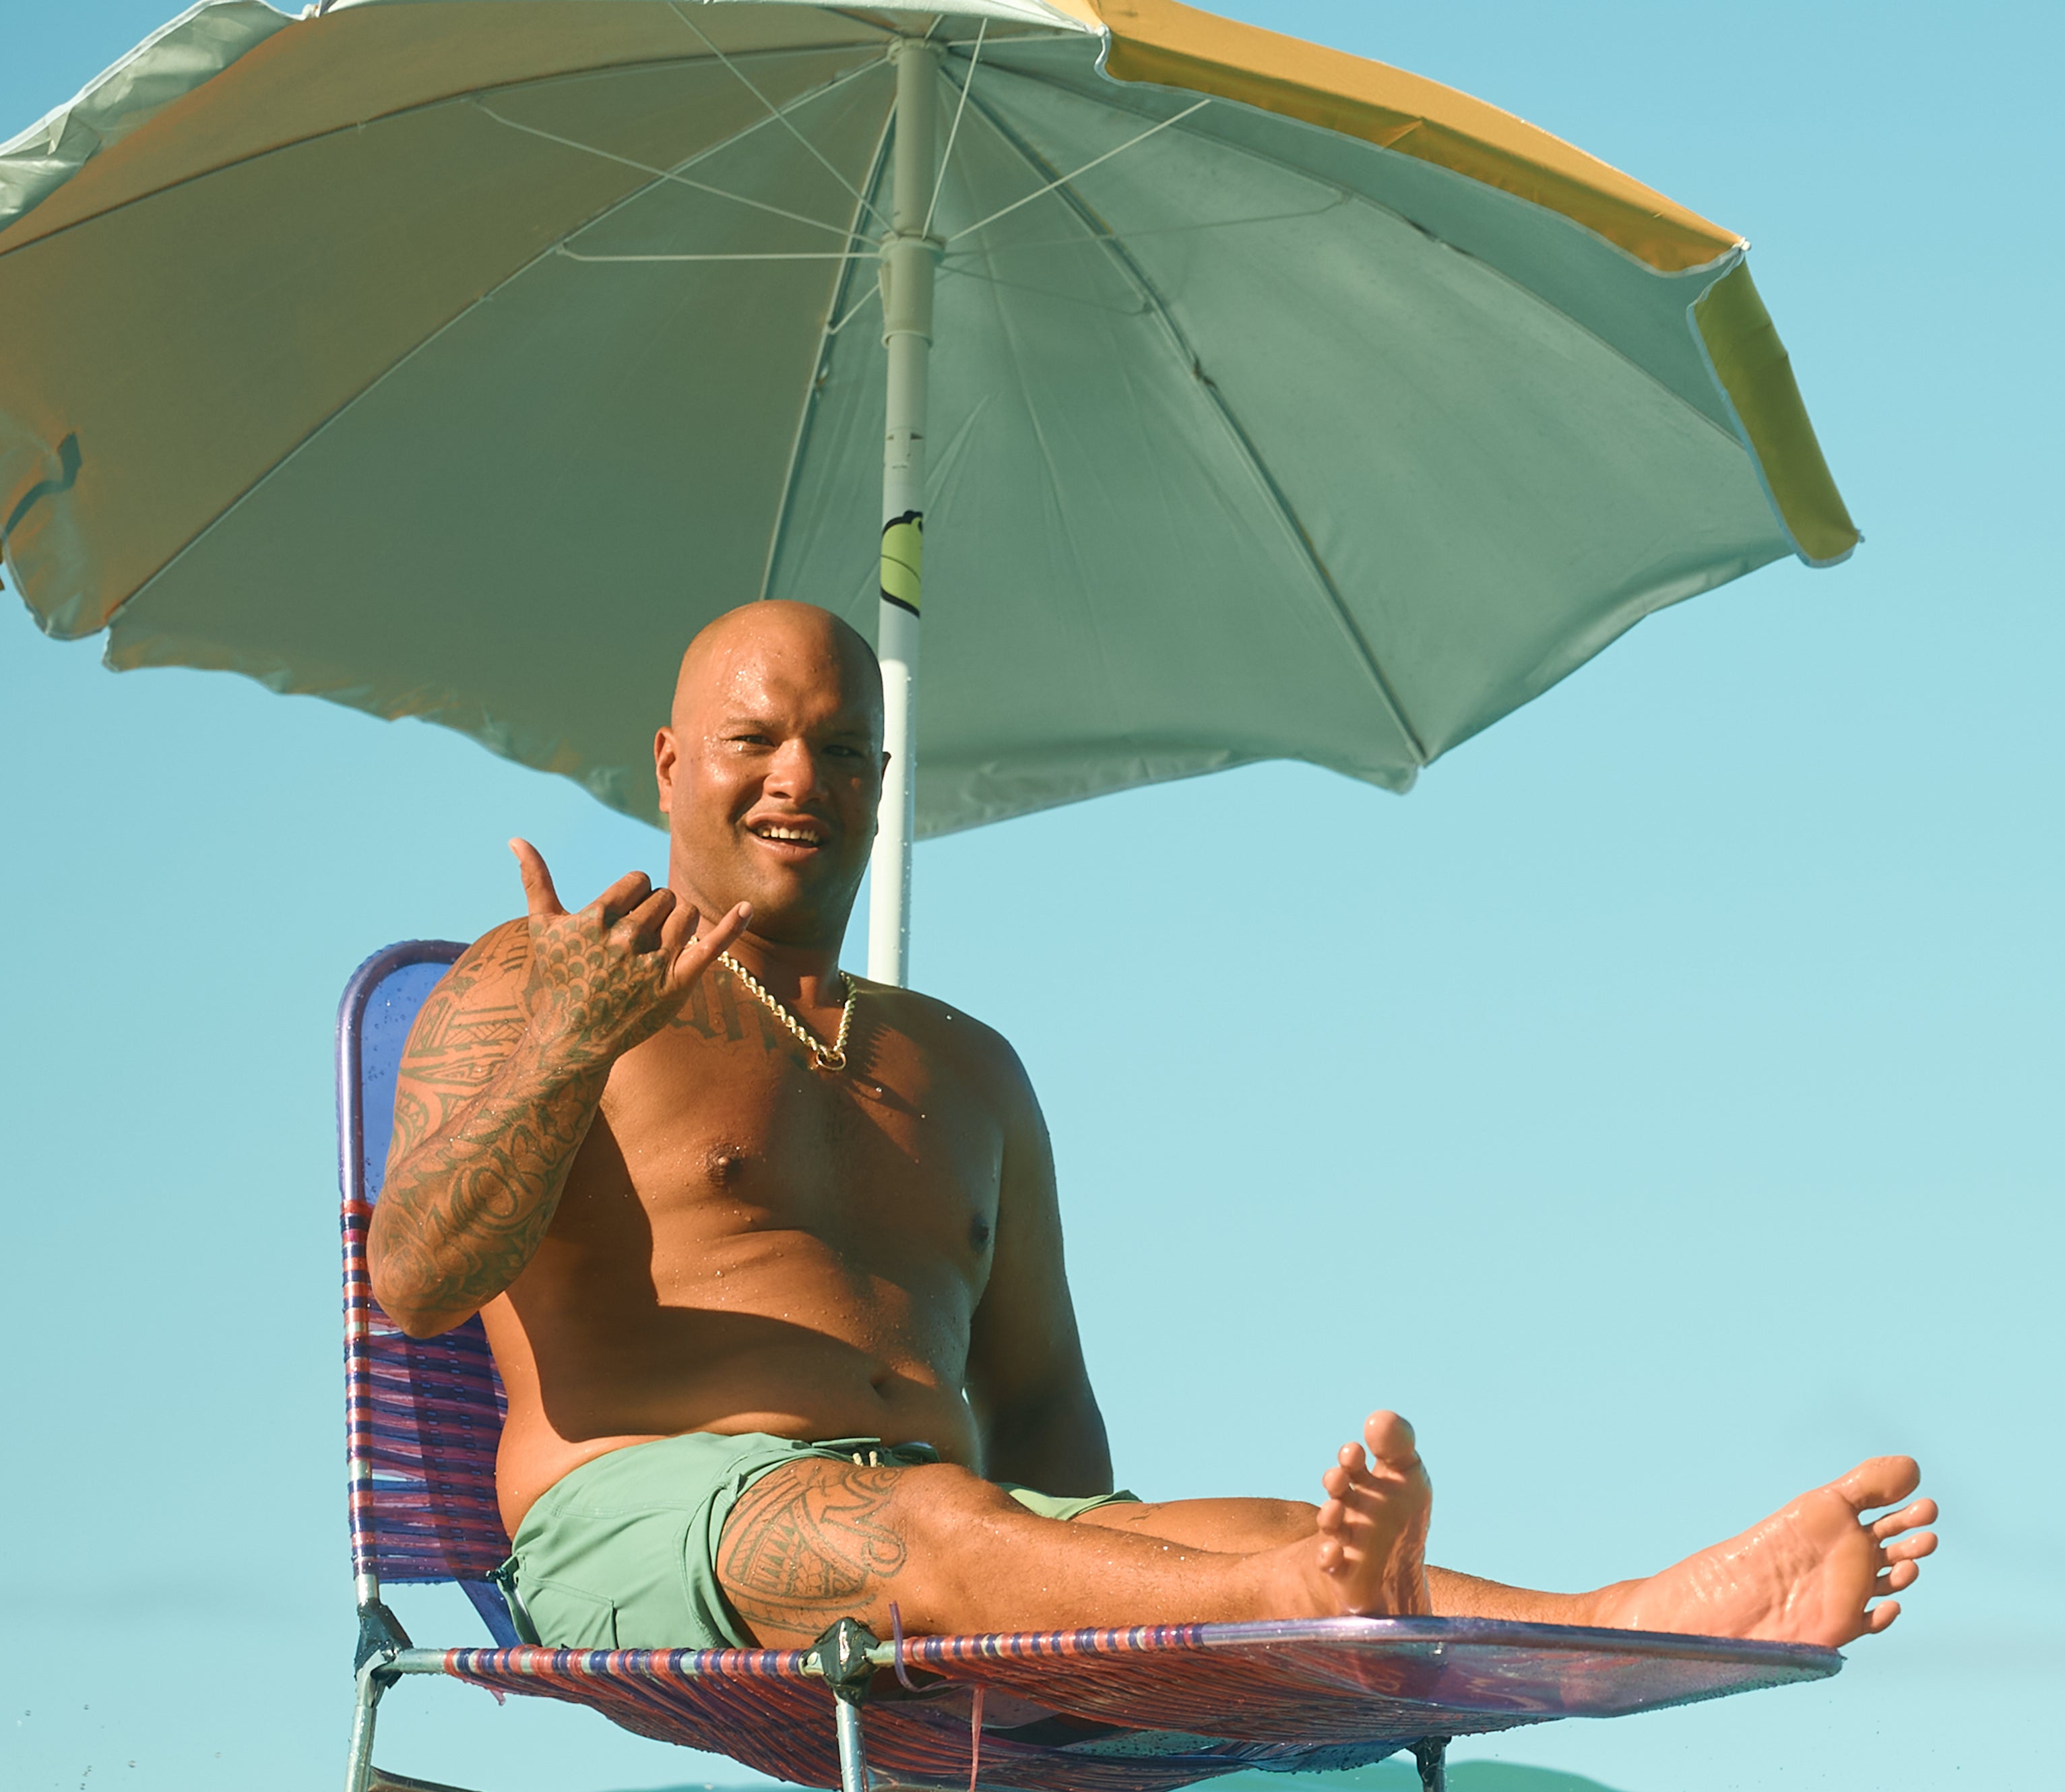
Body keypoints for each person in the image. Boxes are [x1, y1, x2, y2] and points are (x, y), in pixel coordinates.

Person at [369, 601, 1937, 1659]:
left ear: (881, 778)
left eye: (844, 750)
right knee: (940, 1517)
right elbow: (420, 1279)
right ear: (667, 764)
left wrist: (1106, 1640)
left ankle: (1632, 1619)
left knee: (1239, 1522)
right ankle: (1307, 1598)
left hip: (944, 1536)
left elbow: (1043, 1415)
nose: (802, 779)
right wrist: (567, 1047)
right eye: (755, 740)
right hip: (646, 1523)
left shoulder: (965, 1070)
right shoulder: (542, 975)